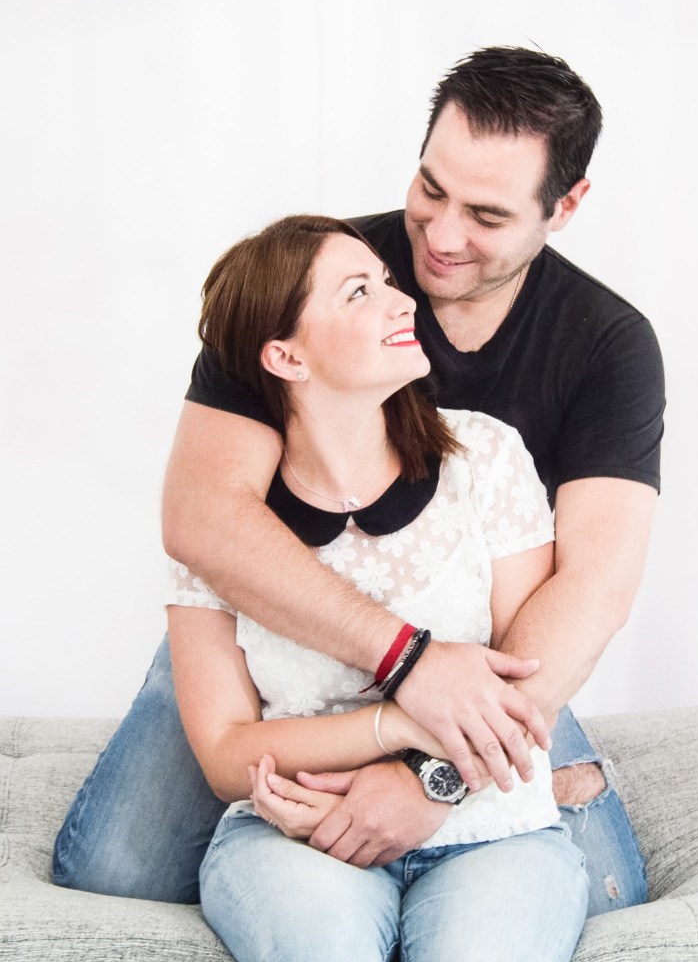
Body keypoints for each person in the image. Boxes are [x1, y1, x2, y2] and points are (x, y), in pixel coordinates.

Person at [54, 46, 664, 916]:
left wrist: (434, 775)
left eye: (486, 215)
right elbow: (200, 513)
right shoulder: (306, 280)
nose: (440, 237)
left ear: (564, 206)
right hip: (280, 641)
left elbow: (596, 587)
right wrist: (404, 663)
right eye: (431, 189)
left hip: (482, 659)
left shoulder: (608, 344)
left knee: (603, 899)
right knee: (117, 873)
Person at [169, 213, 588, 962]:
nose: (403, 302)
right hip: (299, 833)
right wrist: (396, 722)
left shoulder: (486, 459)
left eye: (388, 283)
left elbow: (522, 683)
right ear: (286, 356)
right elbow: (226, 753)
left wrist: (424, 776)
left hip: (490, 828)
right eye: (360, 292)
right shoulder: (228, 530)